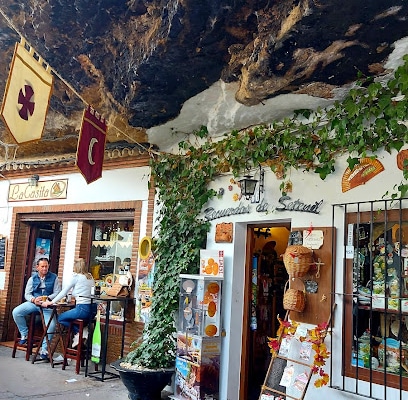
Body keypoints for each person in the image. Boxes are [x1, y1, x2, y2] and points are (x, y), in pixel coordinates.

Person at [12, 257, 61, 361]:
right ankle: (24, 334)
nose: (44, 269)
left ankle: (44, 350)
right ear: (37, 267)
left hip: (48, 305)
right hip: (34, 304)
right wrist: (34, 300)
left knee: (51, 326)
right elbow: (27, 294)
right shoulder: (32, 278)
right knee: (16, 312)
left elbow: (57, 292)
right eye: (42, 266)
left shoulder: (54, 277)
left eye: (46, 266)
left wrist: (48, 299)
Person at [42, 258, 97, 348]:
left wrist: (51, 302)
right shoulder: (90, 276)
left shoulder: (76, 277)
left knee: (60, 318)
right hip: (93, 309)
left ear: (76, 267)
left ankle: (79, 332)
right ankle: (83, 330)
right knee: (72, 318)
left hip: (82, 308)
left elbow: (64, 292)